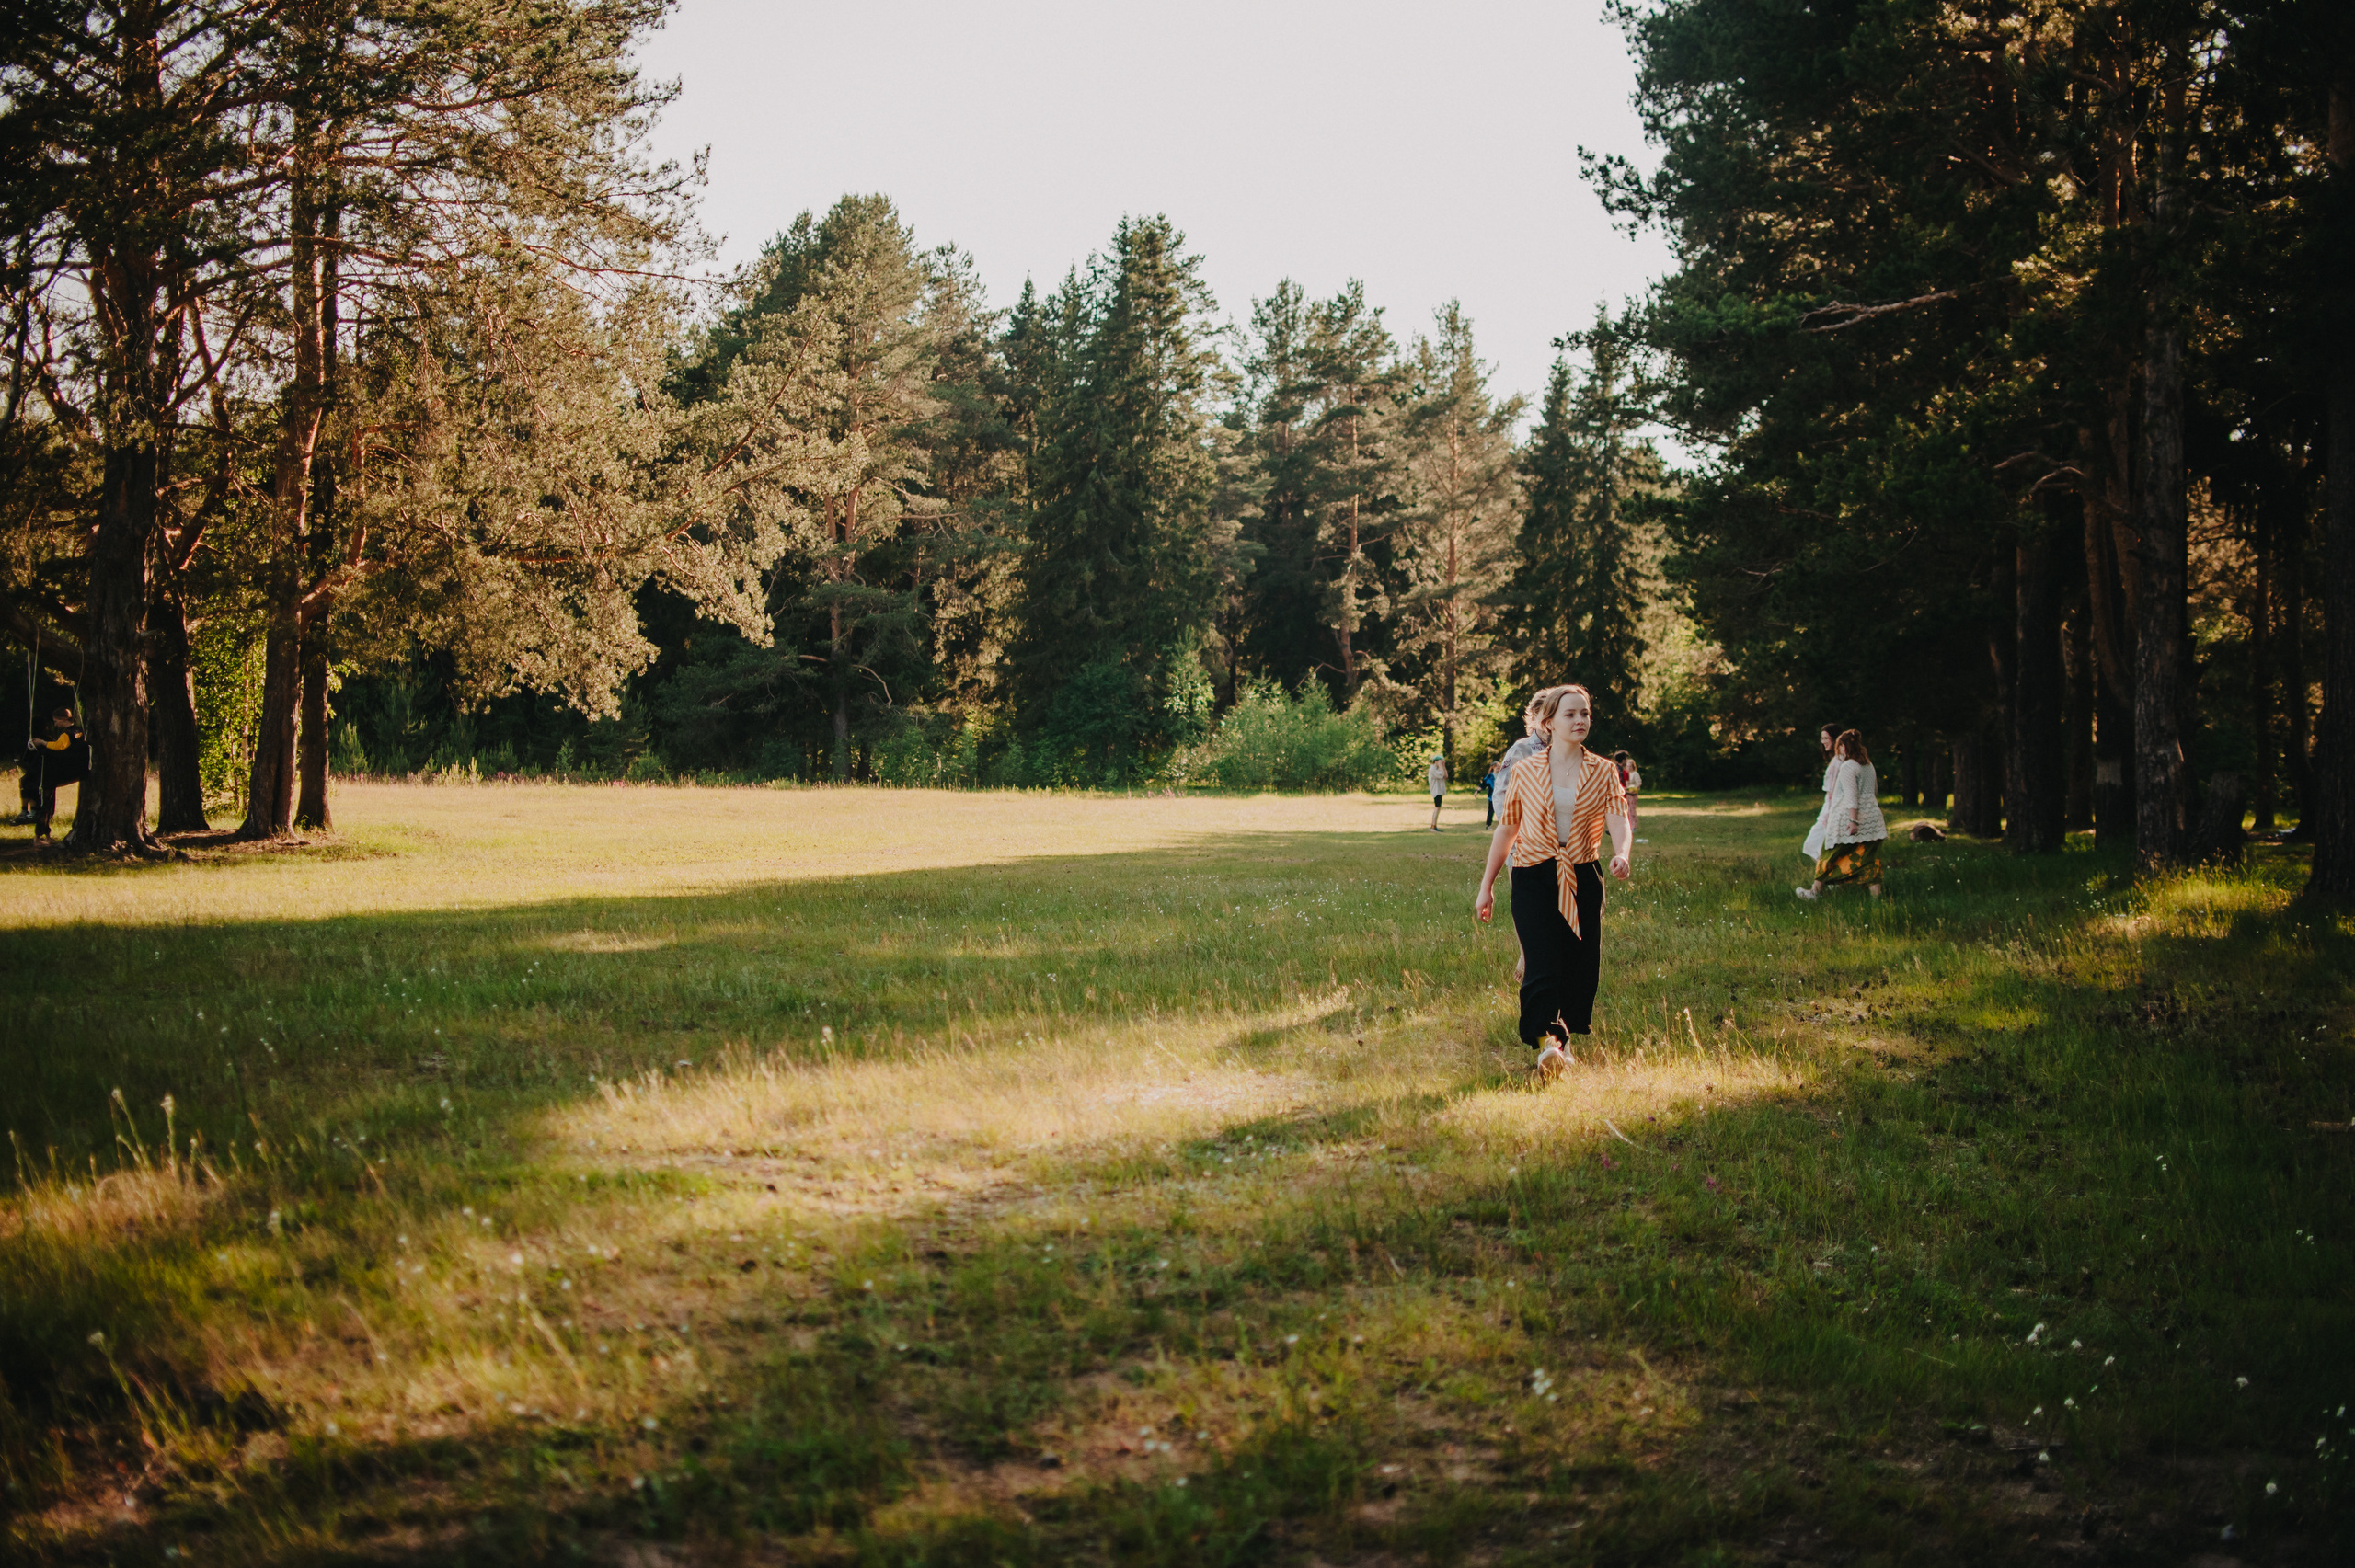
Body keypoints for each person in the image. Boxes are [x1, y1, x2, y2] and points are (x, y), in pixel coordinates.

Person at [1475, 684, 1633, 1082]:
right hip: (1533, 875)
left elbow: (1618, 819)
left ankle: (1562, 1044)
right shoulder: (1526, 771)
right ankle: (1550, 1043)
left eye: (1585, 714)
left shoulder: (1602, 771)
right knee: (1542, 962)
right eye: (1570, 714)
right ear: (1549, 722)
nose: (1580, 720)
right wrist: (1486, 886)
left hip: (1582, 874)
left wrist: (1622, 853)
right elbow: (1506, 830)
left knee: (1578, 965)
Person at [1798, 728, 1886, 899]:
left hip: (1848, 821)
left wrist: (1853, 820)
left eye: (1839, 747)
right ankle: (1877, 900)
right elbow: (1873, 791)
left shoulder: (1848, 766)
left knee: (1828, 855)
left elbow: (1852, 796)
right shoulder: (1868, 765)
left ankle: (1816, 892)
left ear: (1844, 746)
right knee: (1870, 860)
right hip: (1873, 820)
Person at [21, 707, 87, 841]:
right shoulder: (79, 730)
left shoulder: (66, 734)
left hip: (60, 771)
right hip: (76, 768)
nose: (55, 724)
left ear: (63, 720)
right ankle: (45, 834)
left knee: (46, 803)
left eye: (56, 721)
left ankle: (38, 834)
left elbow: (59, 746)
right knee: (48, 803)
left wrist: (42, 743)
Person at [1800, 723, 1840, 864]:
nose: (1823, 742)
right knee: (1814, 846)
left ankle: (1827, 883)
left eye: (1826, 738)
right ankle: (1827, 883)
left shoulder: (1840, 761)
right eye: (1822, 739)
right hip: (1827, 808)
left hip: (1832, 810)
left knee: (1814, 845)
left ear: (1836, 739)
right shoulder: (1835, 760)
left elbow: (1836, 792)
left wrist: (1830, 814)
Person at [1613, 749, 1643, 836]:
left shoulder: (1619, 770)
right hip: (1620, 795)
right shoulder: (1619, 771)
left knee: (1626, 811)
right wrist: (1629, 792)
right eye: (1625, 759)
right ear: (1623, 760)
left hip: (1624, 795)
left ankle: (1624, 828)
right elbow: (1620, 786)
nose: (1626, 761)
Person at [1427, 753, 1448, 831]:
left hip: (1439, 790)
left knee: (1438, 807)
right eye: (1440, 761)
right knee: (1437, 807)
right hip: (1436, 790)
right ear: (1435, 761)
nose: (1441, 763)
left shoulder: (1439, 768)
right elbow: (1441, 775)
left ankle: (1434, 825)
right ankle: (1433, 826)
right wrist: (1441, 766)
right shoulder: (1433, 769)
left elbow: (1446, 776)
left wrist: (1444, 766)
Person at [1479, 761, 1499, 829]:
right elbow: (1483, 784)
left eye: (1498, 766)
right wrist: (1478, 791)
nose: (1497, 768)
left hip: (1501, 796)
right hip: (1492, 796)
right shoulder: (1490, 776)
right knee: (1491, 810)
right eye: (1496, 766)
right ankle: (1488, 825)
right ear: (1493, 767)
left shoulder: (1502, 775)